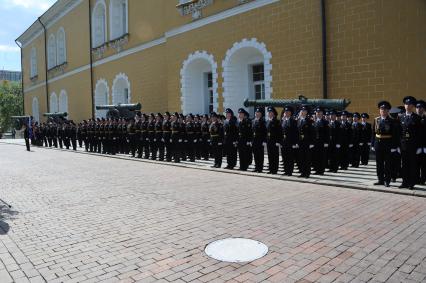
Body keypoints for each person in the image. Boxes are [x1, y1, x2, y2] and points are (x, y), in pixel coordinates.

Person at [372, 101, 399, 187]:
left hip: (388, 145)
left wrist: (394, 146)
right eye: (381, 109)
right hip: (378, 145)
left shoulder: (392, 121)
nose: (383, 110)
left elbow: (395, 135)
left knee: (387, 164)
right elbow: (373, 133)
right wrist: (372, 144)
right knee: (379, 163)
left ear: (388, 111)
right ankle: (380, 180)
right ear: (379, 110)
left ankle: (387, 181)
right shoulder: (376, 120)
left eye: (385, 109)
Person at [399, 96, 421, 189]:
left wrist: (419, 147)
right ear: (404, 105)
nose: (408, 106)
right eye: (406, 104)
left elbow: (419, 134)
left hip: (413, 145)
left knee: (412, 164)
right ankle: (404, 182)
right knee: (404, 165)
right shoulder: (401, 117)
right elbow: (398, 132)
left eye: (410, 104)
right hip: (403, 145)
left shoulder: (417, 118)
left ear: (412, 106)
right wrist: (397, 146)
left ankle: (411, 183)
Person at [297, 105, 314, 178]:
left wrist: (312, 143)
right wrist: (297, 142)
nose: (302, 112)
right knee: (301, 158)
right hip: (300, 142)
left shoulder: (309, 121)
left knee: (307, 158)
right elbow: (297, 132)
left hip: (307, 142)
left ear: (306, 112)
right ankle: (302, 172)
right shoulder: (298, 121)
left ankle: (307, 173)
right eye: (302, 111)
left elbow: (313, 132)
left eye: (304, 111)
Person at [281, 106, 298, 176]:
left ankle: (290, 171)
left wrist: (295, 143)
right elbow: (280, 132)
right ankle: (286, 170)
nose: (286, 113)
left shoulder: (293, 121)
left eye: (287, 112)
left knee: (290, 158)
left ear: (290, 113)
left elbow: (295, 133)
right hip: (284, 143)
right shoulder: (283, 121)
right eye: (285, 112)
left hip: (290, 143)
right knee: (285, 157)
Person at [312, 107, 329, 175]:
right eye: (317, 112)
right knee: (316, 157)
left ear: (322, 113)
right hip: (315, 142)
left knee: (322, 157)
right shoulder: (314, 122)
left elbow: (327, 133)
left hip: (322, 142)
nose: (318, 114)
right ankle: (317, 170)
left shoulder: (325, 122)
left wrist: (326, 142)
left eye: (320, 112)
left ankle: (321, 171)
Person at [266, 106, 282, 174]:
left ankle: (275, 170)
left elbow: (279, 132)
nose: (269, 113)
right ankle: (271, 169)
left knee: (275, 156)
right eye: (269, 112)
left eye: (271, 112)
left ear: (274, 113)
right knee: (270, 156)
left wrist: (278, 141)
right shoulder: (267, 121)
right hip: (269, 141)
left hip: (275, 142)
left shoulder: (277, 121)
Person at [252, 107, 267, 173]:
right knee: (255, 155)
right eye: (256, 113)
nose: (257, 114)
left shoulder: (263, 121)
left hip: (260, 141)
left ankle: (260, 168)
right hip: (254, 141)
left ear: (261, 114)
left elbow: (265, 132)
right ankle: (256, 167)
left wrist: (264, 141)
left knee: (260, 155)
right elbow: (251, 132)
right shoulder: (253, 121)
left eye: (258, 113)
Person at [416, 100, 426, 185]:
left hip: (425, 146)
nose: (419, 109)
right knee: (415, 164)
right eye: (417, 107)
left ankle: (423, 179)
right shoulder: (413, 118)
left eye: (421, 107)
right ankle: (416, 179)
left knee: (424, 164)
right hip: (415, 146)